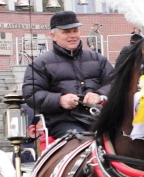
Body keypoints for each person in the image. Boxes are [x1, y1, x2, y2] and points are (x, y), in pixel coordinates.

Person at [22, 11, 113, 139]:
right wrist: (59, 100)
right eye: (66, 32)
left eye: (75, 31)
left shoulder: (99, 59)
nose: (72, 36)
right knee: (81, 144)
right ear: (53, 36)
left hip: (101, 118)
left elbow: (116, 83)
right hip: (63, 121)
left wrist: (99, 94)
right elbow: (31, 93)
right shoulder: (40, 64)